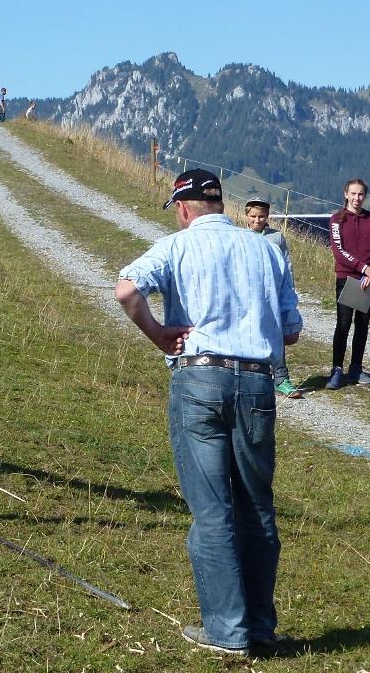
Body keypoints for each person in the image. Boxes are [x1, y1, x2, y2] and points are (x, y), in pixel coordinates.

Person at [116, 169, 302, 657]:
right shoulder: (266, 248)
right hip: (258, 381)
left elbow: (126, 290)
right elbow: (291, 330)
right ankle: (261, 625)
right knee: (257, 505)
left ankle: (226, 630)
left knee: (212, 507)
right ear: (221, 205)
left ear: (182, 209)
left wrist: (159, 334)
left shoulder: (176, 247)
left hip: (200, 376)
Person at [326, 178, 370, 390]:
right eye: (353, 194)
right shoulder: (336, 220)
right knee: (343, 325)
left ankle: (356, 368)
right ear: (345, 194)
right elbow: (338, 251)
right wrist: (362, 268)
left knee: (362, 325)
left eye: (360, 194)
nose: (357, 198)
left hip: (368, 280)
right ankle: (336, 369)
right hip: (347, 278)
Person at [245, 197, 301, 398]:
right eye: (253, 216)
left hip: (274, 294)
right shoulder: (241, 237)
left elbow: (286, 266)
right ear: (246, 216)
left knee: (277, 336)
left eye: (261, 216)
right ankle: (253, 377)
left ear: (267, 217)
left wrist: (289, 290)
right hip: (250, 296)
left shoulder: (276, 237)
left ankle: (281, 378)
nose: (257, 220)